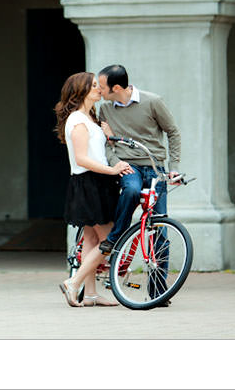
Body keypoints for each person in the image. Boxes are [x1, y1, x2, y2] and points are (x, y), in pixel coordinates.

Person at [55, 71, 131, 308]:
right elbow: (82, 159)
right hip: (90, 183)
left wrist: (109, 136)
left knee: (90, 239)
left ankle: (90, 295)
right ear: (81, 91)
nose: (100, 88)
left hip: (96, 183)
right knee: (111, 239)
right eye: (95, 86)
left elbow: (96, 152)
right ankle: (73, 282)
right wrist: (112, 170)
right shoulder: (78, 120)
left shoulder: (89, 119)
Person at [96, 64, 181, 258]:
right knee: (131, 190)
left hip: (154, 167)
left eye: (101, 86)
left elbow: (173, 132)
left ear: (116, 88)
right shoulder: (105, 109)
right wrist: (116, 162)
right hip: (128, 166)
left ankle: (159, 287)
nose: (99, 90)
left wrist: (173, 167)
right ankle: (115, 238)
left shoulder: (153, 102)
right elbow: (107, 143)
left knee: (160, 229)